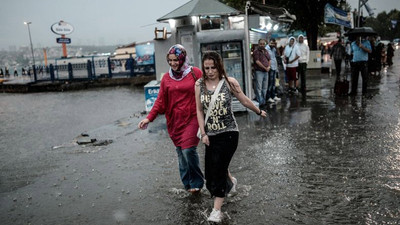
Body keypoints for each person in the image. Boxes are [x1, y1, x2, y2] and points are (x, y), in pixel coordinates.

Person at [195, 51, 267, 223]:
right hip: (210, 135)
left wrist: (258, 111)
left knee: (218, 169)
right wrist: (203, 133)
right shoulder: (199, 84)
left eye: (213, 67)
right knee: (211, 172)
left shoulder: (229, 82)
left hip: (229, 133)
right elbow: (198, 109)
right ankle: (231, 182)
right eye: (207, 68)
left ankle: (216, 210)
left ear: (219, 66)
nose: (210, 71)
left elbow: (244, 100)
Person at [138, 44, 204, 193]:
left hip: (193, 117)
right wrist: (149, 118)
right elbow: (160, 101)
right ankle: (187, 184)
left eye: (176, 60)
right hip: (175, 121)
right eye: (170, 60)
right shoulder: (167, 78)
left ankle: (197, 182)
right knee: (181, 153)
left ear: (182, 58)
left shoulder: (195, 73)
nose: (173, 63)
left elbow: (208, 89)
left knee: (188, 150)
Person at [253, 39, 271, 105]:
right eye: (261, 44)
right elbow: (257, 61)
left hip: (266, 72)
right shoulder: (256, 52)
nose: (262, 45)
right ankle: (260, 102)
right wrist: (265, 68)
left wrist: (268, 67)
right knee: (259, 88)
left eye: (263, 44)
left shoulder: (266, 51)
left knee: (265, 88)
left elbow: (269, 59)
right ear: (258, 44)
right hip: (259, 71)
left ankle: (263, 101)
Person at [265, 38, 281, 103]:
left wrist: (276, 47)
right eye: (271, 43)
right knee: (270, 83)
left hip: (274, 67)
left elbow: (278, 54)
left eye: (273, 43)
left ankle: (273, 96)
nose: (272, 44)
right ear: (268, 43)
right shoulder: (266, 49)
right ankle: (268, 97)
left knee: (274, 83)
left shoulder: (274, 49)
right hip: (270, 68)